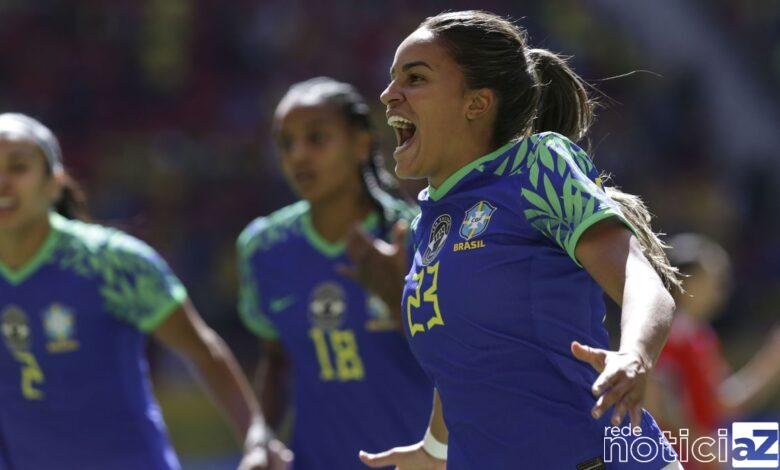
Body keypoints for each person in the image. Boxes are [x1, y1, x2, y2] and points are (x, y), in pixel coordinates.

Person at [356, 10, 684, 469]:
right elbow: (462, 356)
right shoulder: (425, 223)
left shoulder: (535, 166)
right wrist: (434, 449)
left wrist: (634, 356)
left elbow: (640, 277)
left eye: (415, 78)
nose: (389, 95)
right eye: (393, 79)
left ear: (477, 103)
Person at [0, 113, 290, 470]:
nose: (3, 183)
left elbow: (203, 351)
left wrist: (256, 437)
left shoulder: (111, 263)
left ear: (55, 182)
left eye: (18, 167)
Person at [237, 78, 431, 469]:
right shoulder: (263, 248)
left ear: (361, 144)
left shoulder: (419, 237)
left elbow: (461, 363)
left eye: (317, 138)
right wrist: (262, 436)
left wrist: (398, 302)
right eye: (286, 143)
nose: (298, 156)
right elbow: (276, 359)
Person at [645, 233, 780, 469]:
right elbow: (659, 400)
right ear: (688, 282)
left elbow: (720, 404)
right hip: (688, 459)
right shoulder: (673, 335)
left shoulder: (696, 335)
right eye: (715, 278)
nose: (723, 288)